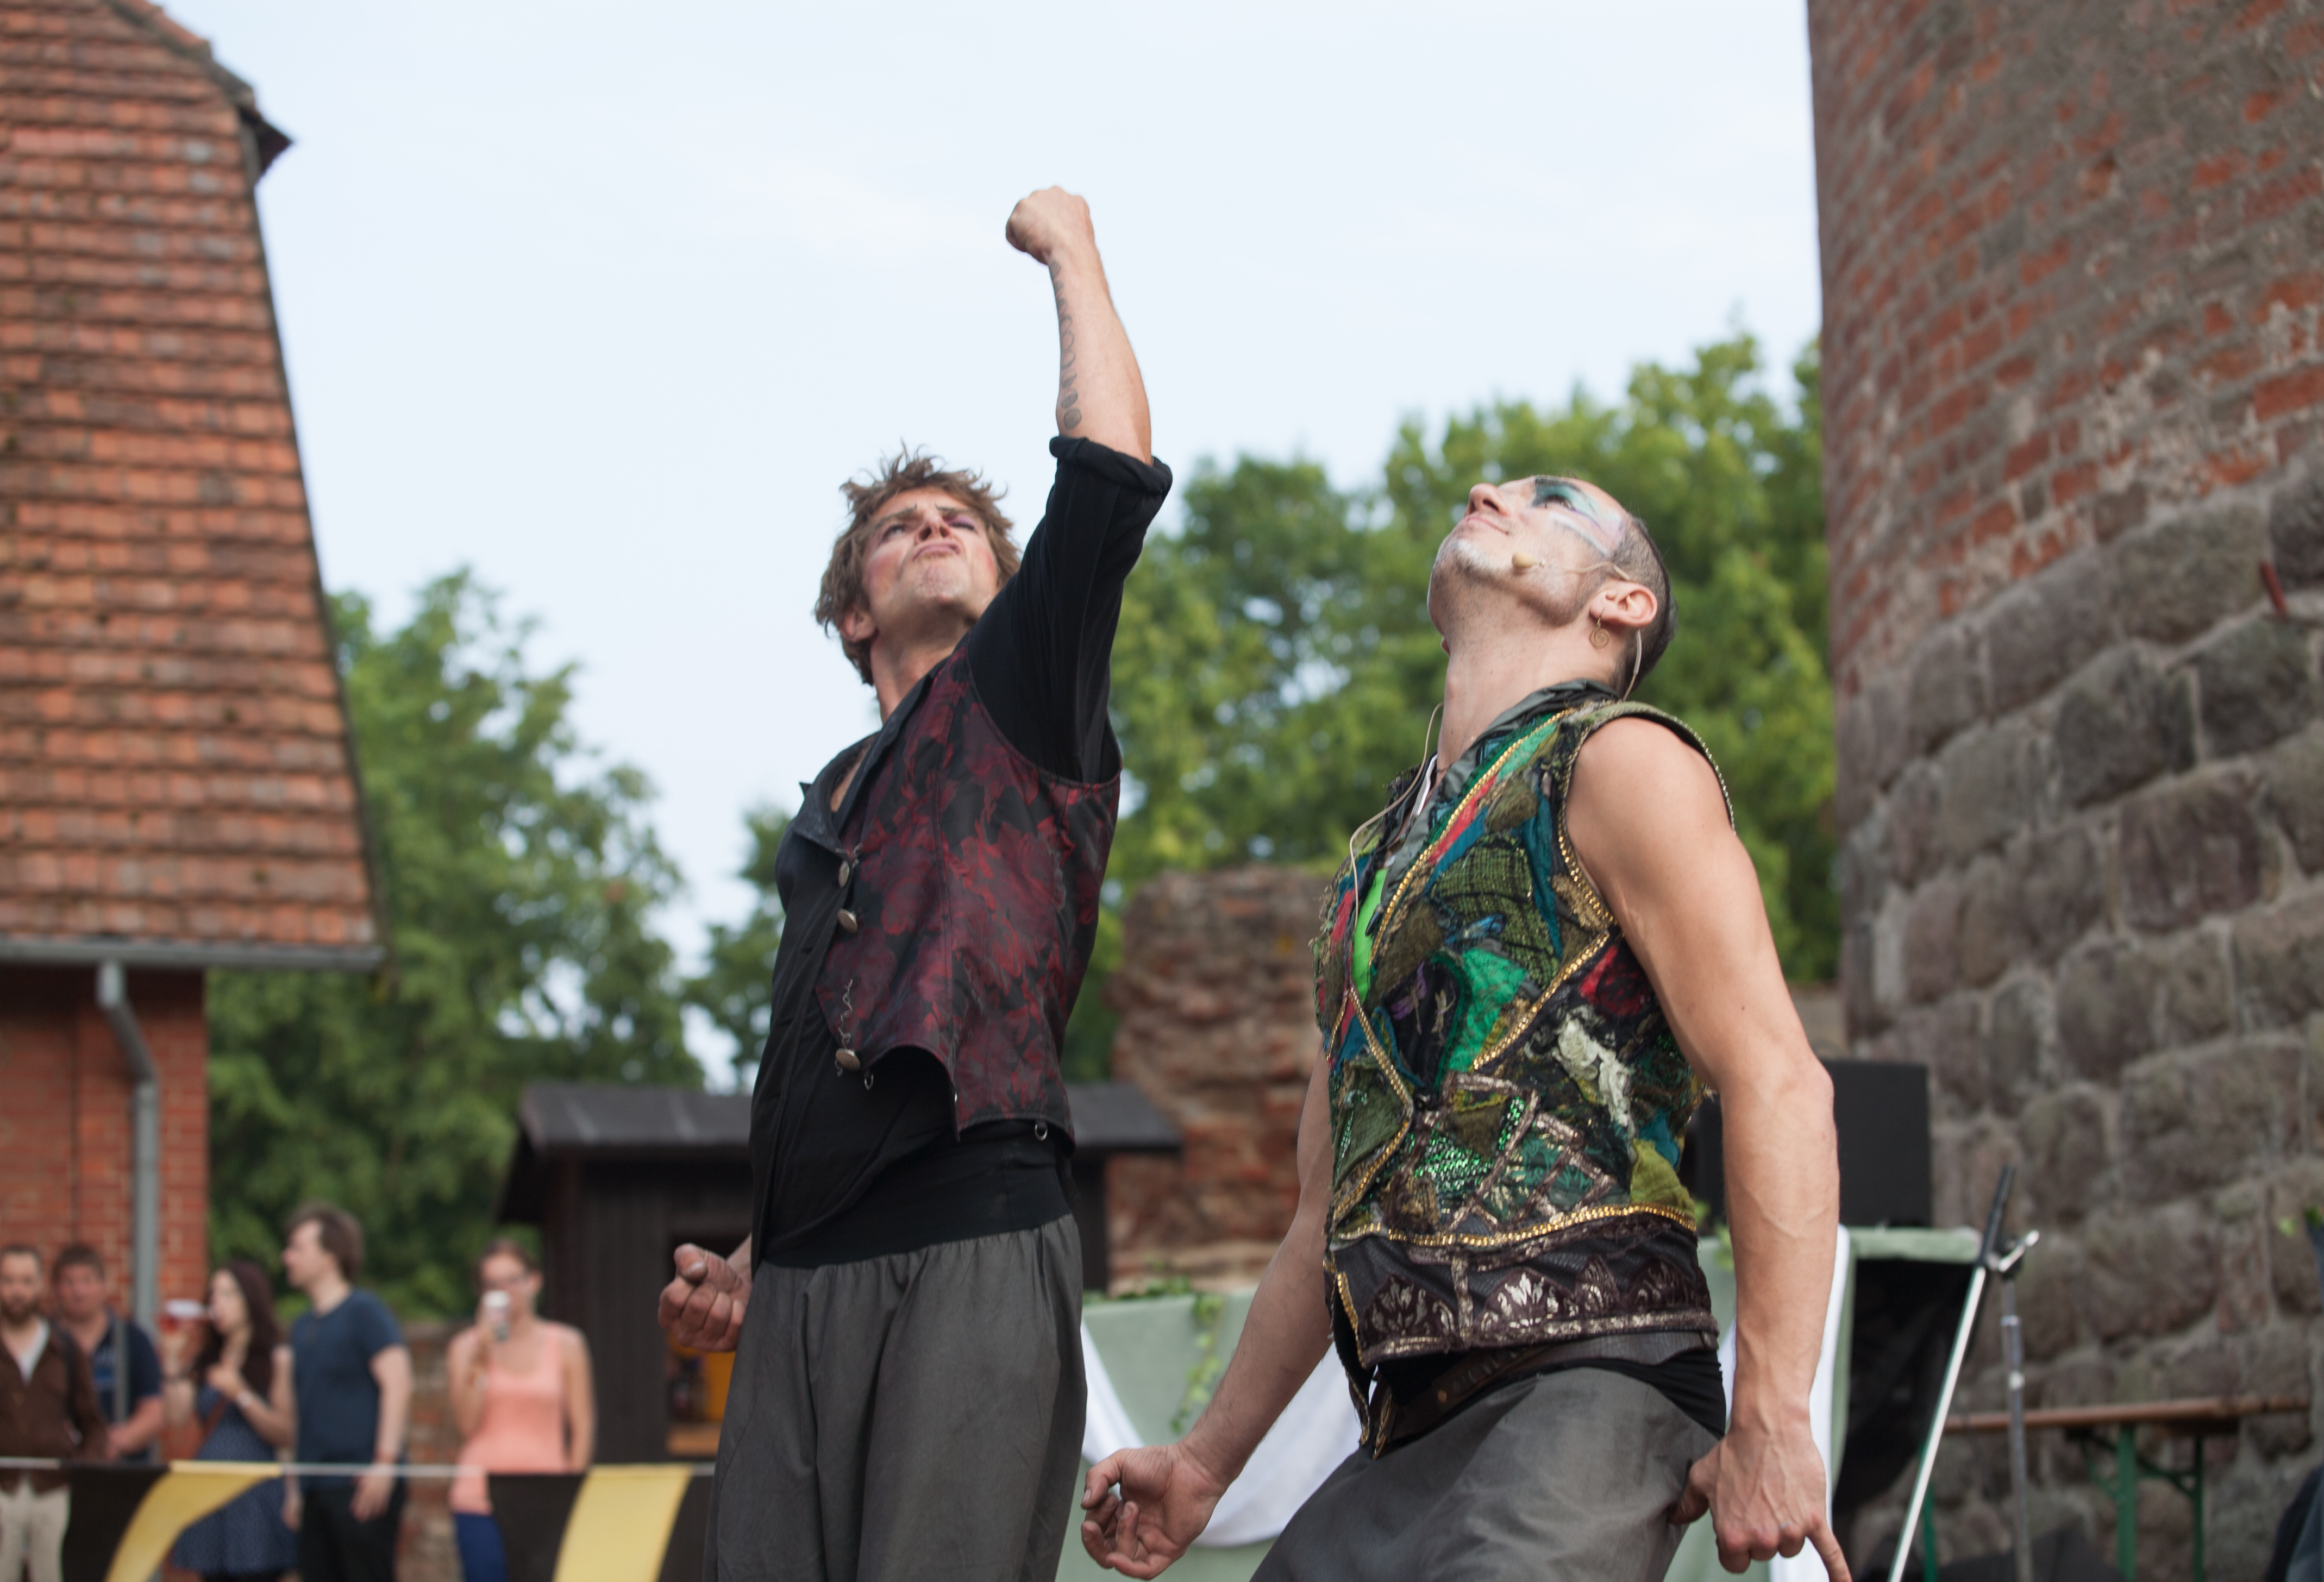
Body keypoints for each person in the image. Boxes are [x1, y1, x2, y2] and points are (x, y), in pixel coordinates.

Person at [1077, 475, 1850, 1581]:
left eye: (1551, 499)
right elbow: (1321, 1217)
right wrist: (1203, 1464)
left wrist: (1772, 1415)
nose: (1488, 490)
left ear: (1621, 602)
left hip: (1590, 1374)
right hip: (1402, 1427)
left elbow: (1779, 1079)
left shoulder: (1618, 758)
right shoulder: (1377, 866)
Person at [656, 184, 1167, 1582]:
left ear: (1009, 586)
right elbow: (843, 1053)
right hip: (804, 1278)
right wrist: (758, 1257)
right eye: (899, 528)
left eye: (961, 522)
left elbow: (1111, 470)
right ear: (853, 614)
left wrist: (1071, 248)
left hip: (972, 1237)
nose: (934, 529)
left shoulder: (1020, 698)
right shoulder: (830, 801)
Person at [446, 1239, 593, 1582]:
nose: (504, 1291)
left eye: (512, 1279)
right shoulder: (465, 1347)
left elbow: (583, 1427)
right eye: (492, 1284)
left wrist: (572, 1493)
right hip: (480, 1499)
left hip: (546, 1496)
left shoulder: (567, 1344)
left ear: (534, 1281)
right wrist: (482, 1355)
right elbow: (466, 1423)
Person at [280, 1204, 411, 1582]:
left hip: (359, 1484)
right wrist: (295, 1486)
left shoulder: (364, 1311)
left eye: (298, 1248)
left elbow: (398, 1382)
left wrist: (385, 1463)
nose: (287, 1258)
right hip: (315, 1486)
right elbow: (300, 1414)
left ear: (329, 1256)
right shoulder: (302, 1326)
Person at [163, 1259, 299, 1582]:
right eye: (213, 1294)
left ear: (250, 1299)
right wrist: (171, 1359)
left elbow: (286, 1432)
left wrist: (241, 1393)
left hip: (254, 1495)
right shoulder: (207, 1359)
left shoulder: (276, 1358)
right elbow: (176, 1416)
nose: (217, 1303)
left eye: (228, 1294)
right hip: (211, 1492)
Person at [0, 1245, 110, 1582]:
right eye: (9, 1281)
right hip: (0, 1488)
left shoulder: (65, 1347)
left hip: (53, 1489)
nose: (17, 1291)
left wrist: (82, 1476)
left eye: (26, 1281)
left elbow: (93, 1424)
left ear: (41, 1285)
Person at [51, 1242, 164, 1463]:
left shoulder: (133, 1340)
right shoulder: (44, 1342)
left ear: (104, 1286)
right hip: (57, 1469)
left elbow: (155, 1410)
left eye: (87, 1281)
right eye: (69, 1282)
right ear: (55, 1288)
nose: (79, 1292)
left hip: (122, 1469)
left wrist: (115, 1441)